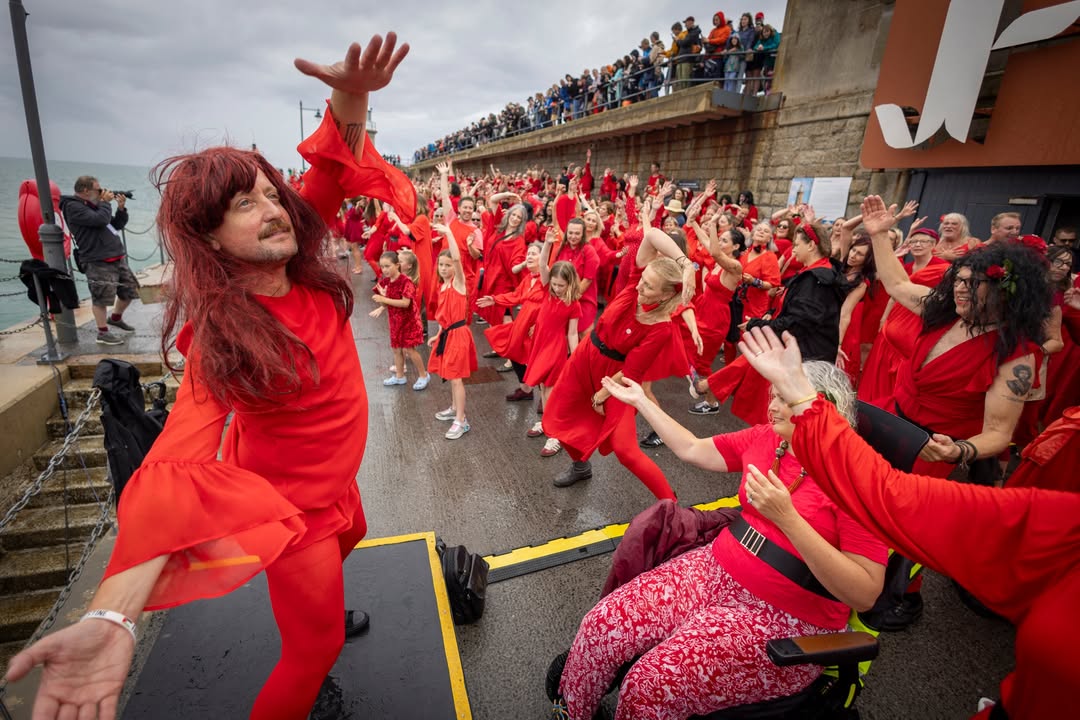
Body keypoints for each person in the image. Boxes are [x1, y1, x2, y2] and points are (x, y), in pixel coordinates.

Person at [6, 33, 412, 720]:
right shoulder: (224, 339)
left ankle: (324, 614)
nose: (274, 210)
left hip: (339, 483)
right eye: (244, 206)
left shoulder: (301, 249)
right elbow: (174, 462)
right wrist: (113, 617)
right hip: (293, 514)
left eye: (268, 194)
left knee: (356, 538)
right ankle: (312, 670)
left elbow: (334, 169)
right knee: (307, 656)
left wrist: (353, 93)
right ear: (210, 239)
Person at [739, 325, 1080, 720]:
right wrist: (801, 399)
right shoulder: (1065, 526)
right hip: (909, 434)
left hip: (938, 447)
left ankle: (909, 594)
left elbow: (866, 578)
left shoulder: (1016, 350)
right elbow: (889, 494)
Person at [552, 360, 886, 720]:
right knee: (603, 623)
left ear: (822, 405)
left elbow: (865, 593)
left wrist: (788, 520)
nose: (770, 406)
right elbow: (694, 448)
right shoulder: (770, 438)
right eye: (772, 395)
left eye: (783, 399)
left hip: (785, 618)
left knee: (650, 682)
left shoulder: (858, 477)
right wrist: (643, 402)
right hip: (715, 570)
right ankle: (572, 712)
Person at [861, 194, 1049, 480]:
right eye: (959, 280)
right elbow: (898, 283)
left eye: (974, 283)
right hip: (892, 424)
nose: (961, 289)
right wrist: (879, 234)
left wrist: (959, 451)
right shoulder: (942, 310)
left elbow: (999, 433)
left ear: (1004, 290)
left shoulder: (1015, 353)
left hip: (937, 453)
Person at [543, 227, 695, 497]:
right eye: (643, 278)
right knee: (557, 417)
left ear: (664, 296)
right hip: (585, 357)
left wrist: (602, 394)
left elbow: (632, 371)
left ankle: (670, 503)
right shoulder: (636, 281)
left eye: (648, 285)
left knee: (625, 450)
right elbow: (651, 236)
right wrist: (686, 264)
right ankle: (580, 467)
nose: (638, 285)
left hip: (616, 378)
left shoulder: (661, 328)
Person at [704, 219, 845, 426]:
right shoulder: (816, 274)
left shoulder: (817, 278)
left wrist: (757, 324)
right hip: (796, 348)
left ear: (811, 245)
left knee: (787, 413)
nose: (793, 250)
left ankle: (708, 387)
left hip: (803, 357)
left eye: (796, 244)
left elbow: (798, 321)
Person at [60, 177, 137, 345]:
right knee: (101, 298)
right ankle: (102, 333)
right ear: (85, 190)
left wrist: (121, 209)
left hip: (116, 255)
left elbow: (115, 225)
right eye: (98, 189)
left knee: (130, 291)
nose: (102, 192)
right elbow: (99, 220)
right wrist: (106, 202)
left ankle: (115, 318)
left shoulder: (96, 206)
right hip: (97, 259)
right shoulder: (73, 207)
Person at [525, 240, 584, 458]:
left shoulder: (573, 304)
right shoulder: (548, 291)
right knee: (542, 386)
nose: (557, 288)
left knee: (549, 388)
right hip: (539, 344)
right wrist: (548, 243)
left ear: (570, 284)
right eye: (555, 285)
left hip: (555, 348)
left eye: (561, 285)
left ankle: (554, 432)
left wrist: (575, 356)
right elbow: (542, 265)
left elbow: (572, 333)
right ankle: (547, 422)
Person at [429, 219, 479, 440]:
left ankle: (461, 420)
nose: (445, 268)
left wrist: (449, 231)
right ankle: (453, 408)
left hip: (459, 335)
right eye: (441, 265)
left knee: (456, 377)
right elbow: (443, 317)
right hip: (448, 334)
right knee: (450, 375)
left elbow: (458, 258)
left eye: (448, 265)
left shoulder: (459, 283)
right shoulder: (443, 285)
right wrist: (437, 335)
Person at [369, 250, 430, 390]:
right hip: (395, 321)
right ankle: (399, 376)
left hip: (409, 321)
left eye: (388, 266)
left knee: (410, 350)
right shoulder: (386, 281)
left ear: (397, 265)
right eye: (382, 267)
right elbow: (387, 302)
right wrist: (382, 305)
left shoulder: (406, 281)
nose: (384, 270)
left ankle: (423, 375)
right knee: (396, 349)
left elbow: (405, 303)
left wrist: (383, 299)